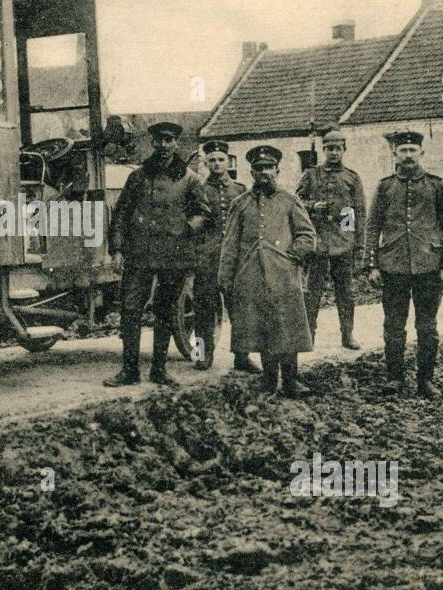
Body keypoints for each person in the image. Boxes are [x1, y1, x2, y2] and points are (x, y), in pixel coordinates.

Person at [106, 122, 212, 387]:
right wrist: (117, 249)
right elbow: (120, 214)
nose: (163, 146)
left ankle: (159, 370)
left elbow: (203, 213)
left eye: (168, 141)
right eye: (159, 141)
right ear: (151, 143)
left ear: (176, 143)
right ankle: (130, 371)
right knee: (130, 309)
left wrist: (185, 228)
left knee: (164, 312)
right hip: (139, 254)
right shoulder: (138, 177)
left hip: (173, 255)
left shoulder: (189, 179)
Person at [364, 130, 443, 399]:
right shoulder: (384, 187)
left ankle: (426, 380)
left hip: (429, 266)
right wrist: (372, 265)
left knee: (427, 326)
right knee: (393, 326)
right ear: (394, 154)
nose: (407, 155)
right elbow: (372, 227)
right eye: (402, 151)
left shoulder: (436, 186)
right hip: (392, 267)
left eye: (412, 151)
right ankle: (394, 378)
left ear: (421, 154)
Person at [218, 144, 317, 396]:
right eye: (259, 168)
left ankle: (292, 380)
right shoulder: (240, 204)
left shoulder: (289, 200)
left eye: (269, 168)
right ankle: (269, 379)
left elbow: (307, 235)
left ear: (277, 170)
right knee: (262, 329)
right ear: (251, 172)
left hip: (284, 277)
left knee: (287, 327)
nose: (264, 173)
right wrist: (226, 276)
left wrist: (292, 255)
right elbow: (230, 244)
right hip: (251, 277)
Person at [296, 129, 366, 350]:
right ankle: (309, 336)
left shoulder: (351, 178)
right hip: (317, 243)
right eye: (329, 148)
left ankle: (348, 335)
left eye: (337, 148)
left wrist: (356, 244)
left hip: (343, 244)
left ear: (344, 150)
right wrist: (312, 206)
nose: (333, 152)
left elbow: (357, 213)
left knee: (345, 292)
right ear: (323, 150)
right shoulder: (311, 175)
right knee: (312, 291)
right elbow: (296, 203)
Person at [191, 140, 255, 372]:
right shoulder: (198, 189)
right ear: (206, 163)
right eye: (212, 160)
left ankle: (242, 357)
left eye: (221, 160)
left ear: (228, 162)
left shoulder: (239, 190)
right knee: (203, 311)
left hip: (235, 261)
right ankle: (201, 356)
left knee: (240, 309)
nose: (217, 164)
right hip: (206, 260)